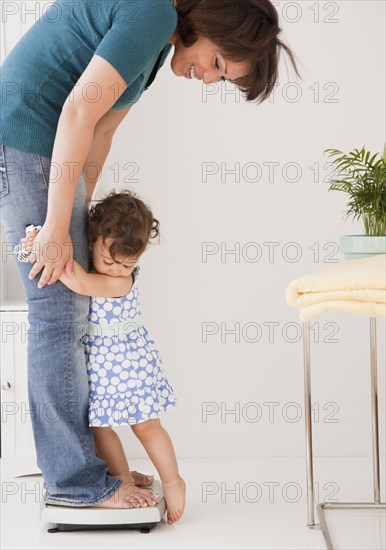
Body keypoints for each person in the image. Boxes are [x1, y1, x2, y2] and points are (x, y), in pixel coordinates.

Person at [0, 0, 300, 508]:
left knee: (70, 306)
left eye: (220, 79)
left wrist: (78, 216)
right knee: (57, 310)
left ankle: (86, 471)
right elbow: (77, 110)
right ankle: (75, 482)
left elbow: (101, 131)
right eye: (219, 65)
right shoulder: (152, 13)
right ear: (208, 25)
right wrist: (56, 224)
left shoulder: (157, 43)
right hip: (26, 139)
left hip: (40, 146)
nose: (207, 79)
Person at [16, 189, 185, 524]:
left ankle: (173, 480)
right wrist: (36, 242)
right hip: (100, 366)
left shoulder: (121, 283)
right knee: (99, 426)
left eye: (128, 263)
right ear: (91, 240)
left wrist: (43, 246)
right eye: (109, 261)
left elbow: (76, 279)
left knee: (146, 425)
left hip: (129, 365)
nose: (117, 269)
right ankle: (119, 481)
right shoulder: (98, 263)